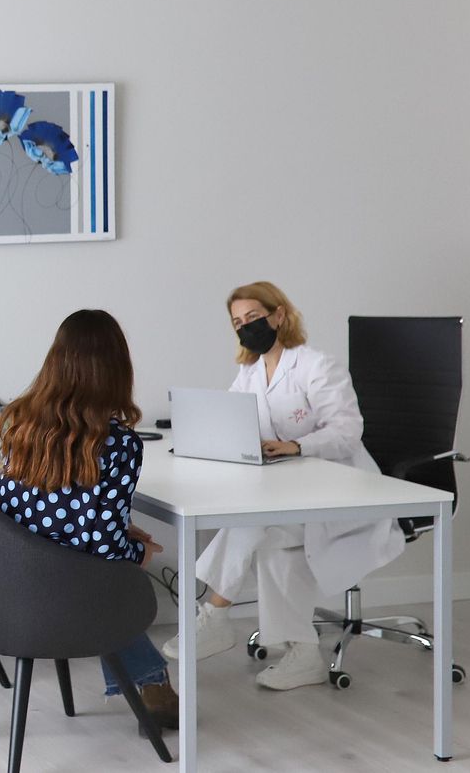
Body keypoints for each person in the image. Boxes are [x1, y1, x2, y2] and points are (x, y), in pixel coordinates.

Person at [161, 281, 405, 690]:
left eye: (252, 317)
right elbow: (232, 419)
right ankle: (302, 654)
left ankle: (216, 615)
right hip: (291, 493)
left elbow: (348, 430)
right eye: (237, 322)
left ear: (278, 314)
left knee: (255, 525)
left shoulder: (315, 365)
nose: (245, 327)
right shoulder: (250, 372)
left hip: (344, 492)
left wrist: (296, 445)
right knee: (268, 535)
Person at [0, 309, 177, 733]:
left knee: (108, 562)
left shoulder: (18, 421)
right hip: (65, 594)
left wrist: (115, 532)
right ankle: (153, 685)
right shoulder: (117, 442)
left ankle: (151, 684)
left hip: (5, 577)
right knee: (123, 578)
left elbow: (28, 511)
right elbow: (103, 546)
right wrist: (138, 550)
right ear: (116, 369)